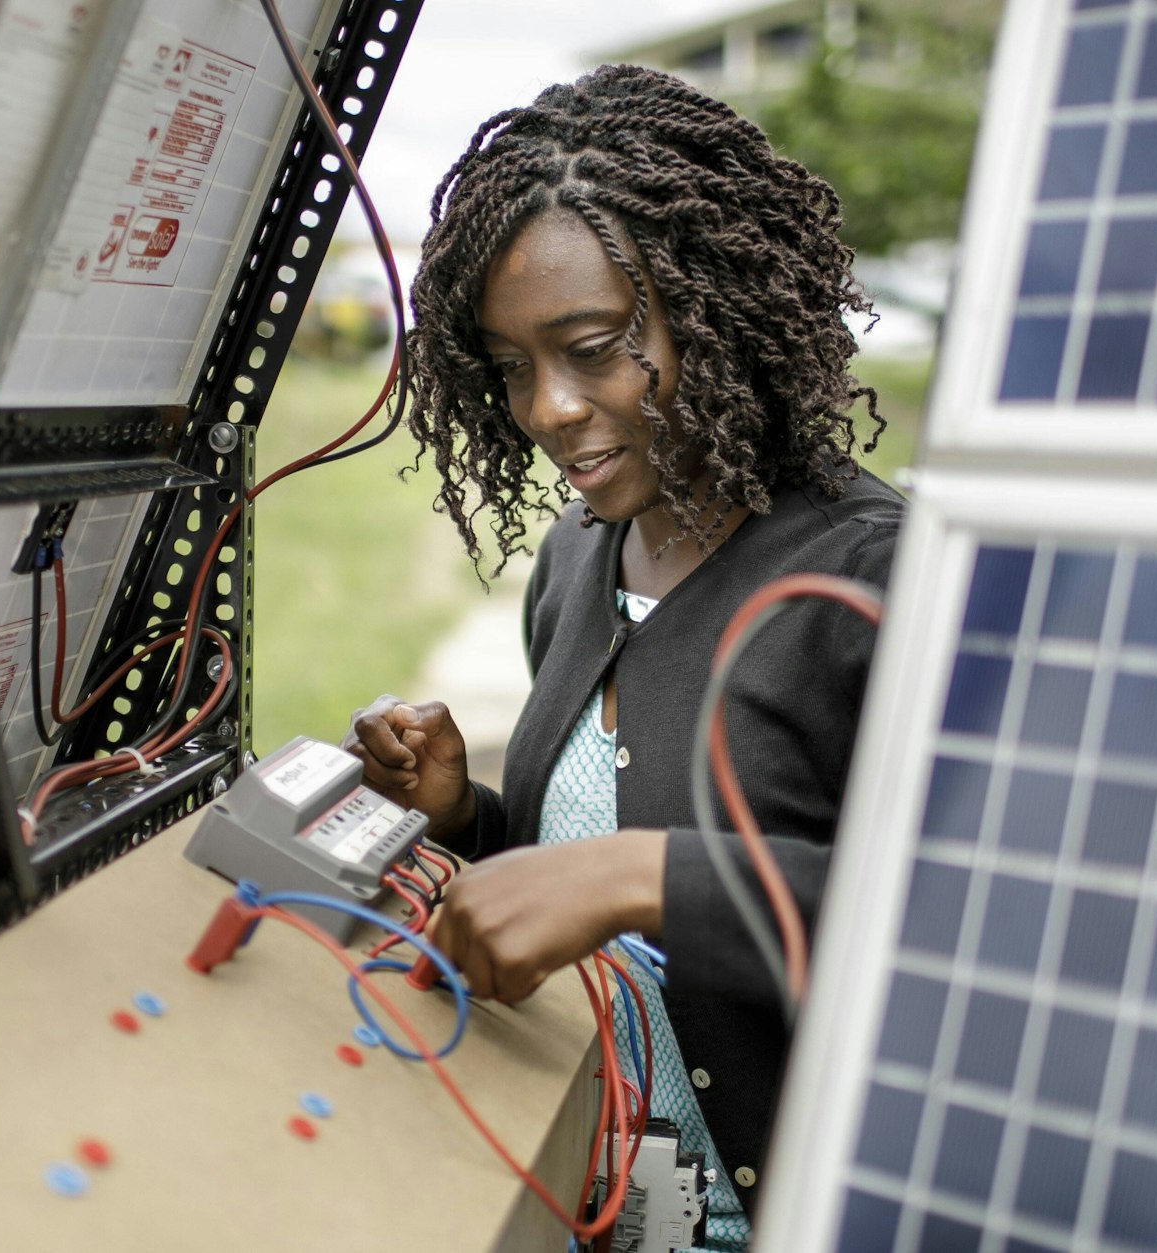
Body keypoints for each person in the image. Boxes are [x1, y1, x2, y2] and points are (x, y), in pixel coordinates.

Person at [344, 65, 903, 1244]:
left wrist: (641, 873)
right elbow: (585, 872)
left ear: (719, 313)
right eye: (508, 366)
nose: (546, 407)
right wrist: (463, 819)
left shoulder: (870, 583)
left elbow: (971, 922)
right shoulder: (576, 558)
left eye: (591, 346)